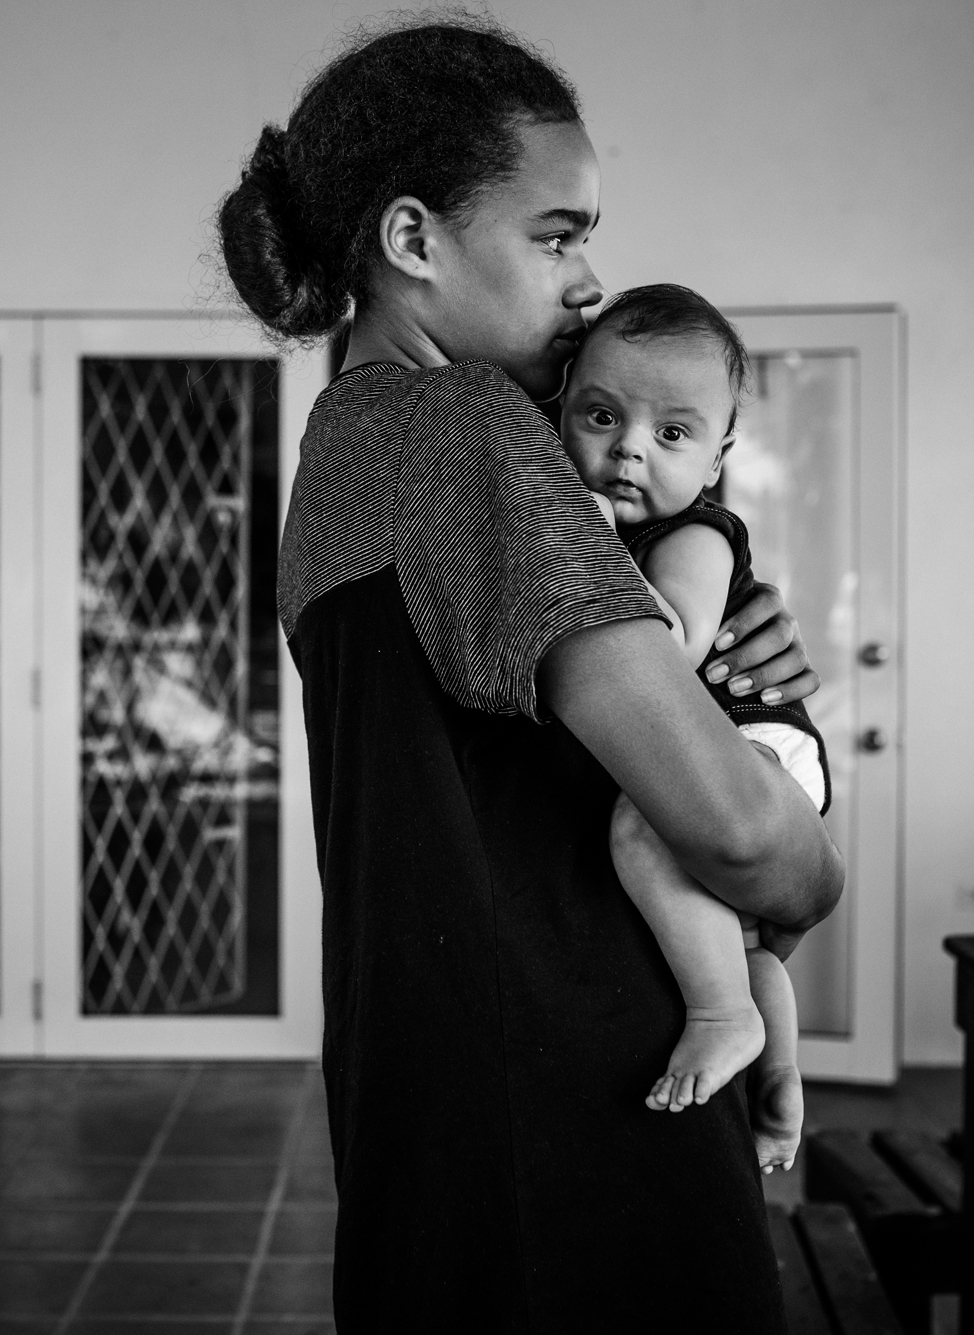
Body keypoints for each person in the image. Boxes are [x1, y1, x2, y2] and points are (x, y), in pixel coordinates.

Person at [218, 16, 844, 1329]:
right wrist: (809, 858)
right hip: (592, 1098)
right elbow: (736, 832)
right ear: (411, 240)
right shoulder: (471, 430)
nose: (586, 279)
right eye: (557, 233)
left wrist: (714, 636)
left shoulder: (342, 451)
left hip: (431, 1105)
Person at [561, 284, 832, 1176]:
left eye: (671, 433)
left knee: (646, 823)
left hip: (763, 739)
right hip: (728, 740)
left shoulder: (698, 538)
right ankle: (782, 1080)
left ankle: (723, 1016)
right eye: (601, 415)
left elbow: (667, 644)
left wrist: (583, 539)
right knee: (731, 931)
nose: (629, 447)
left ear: (716, 459)